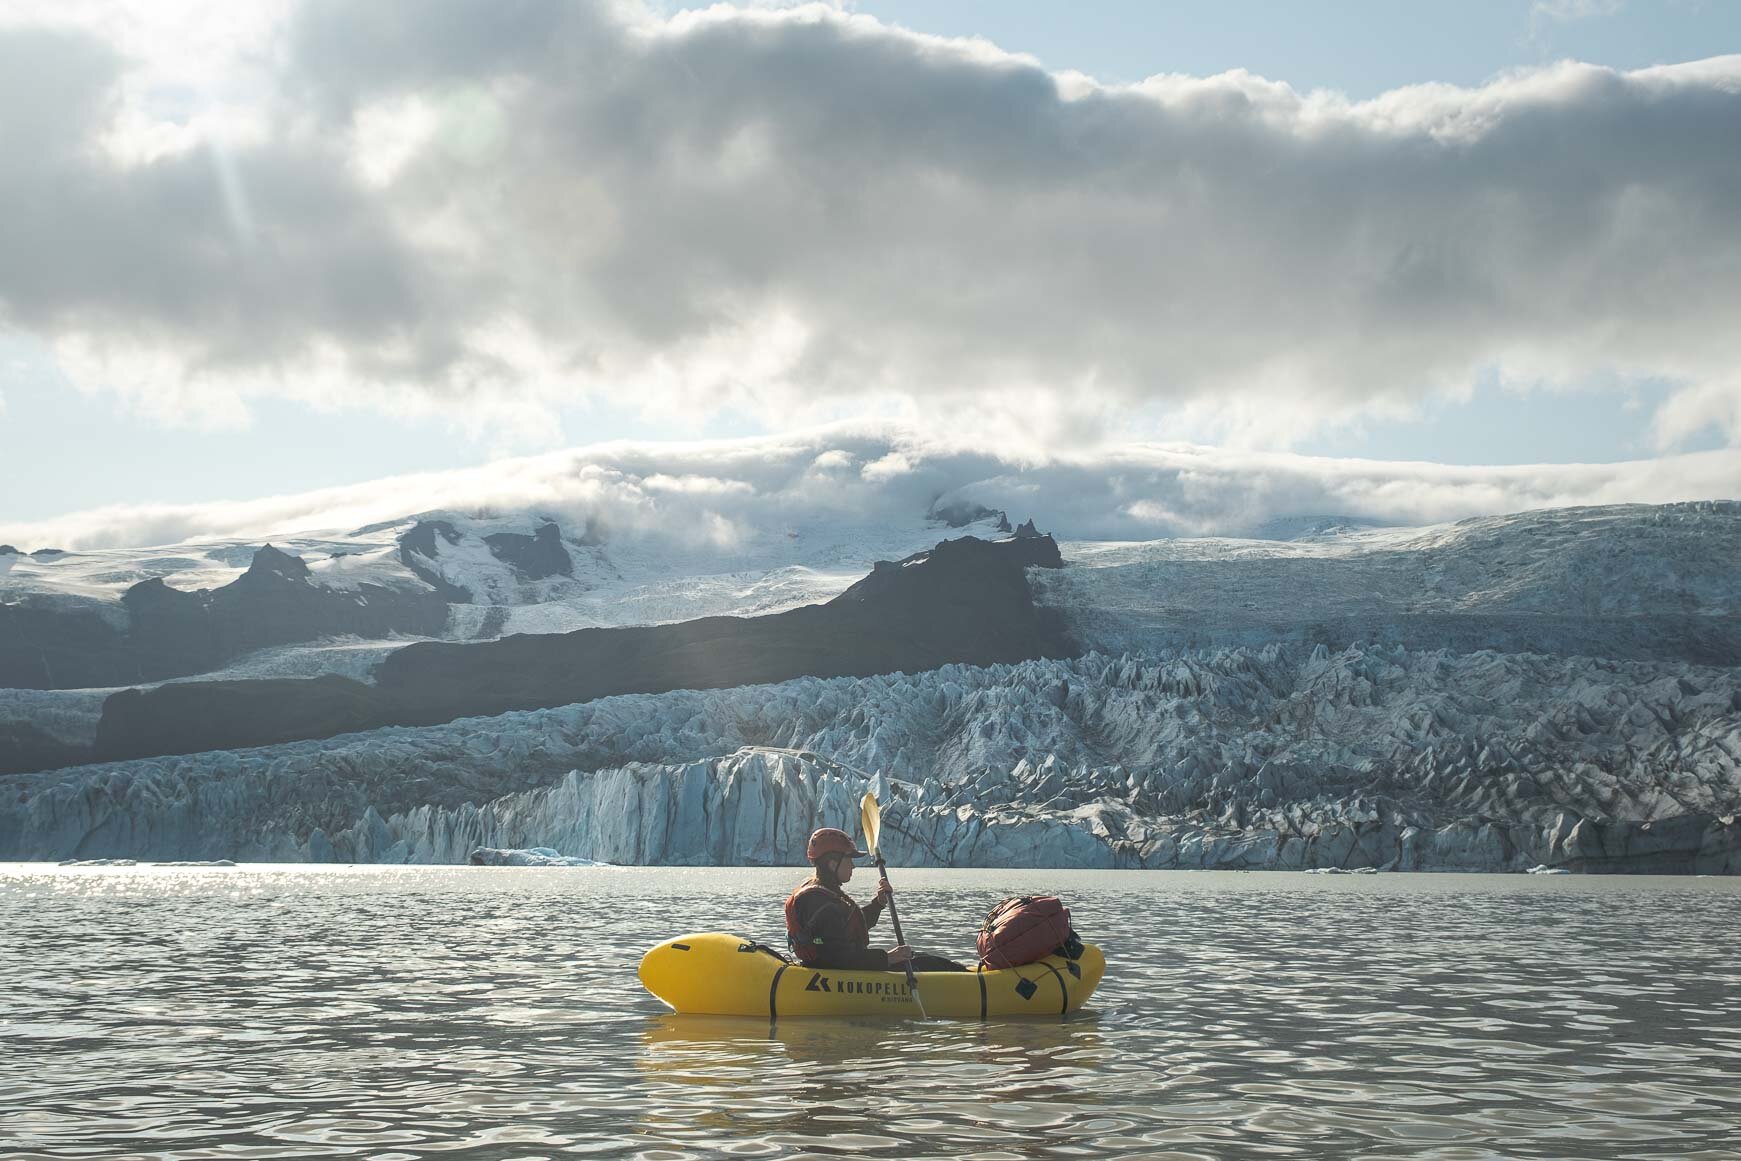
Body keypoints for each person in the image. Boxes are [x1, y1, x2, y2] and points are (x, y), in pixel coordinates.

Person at [784, 827, 965, 972]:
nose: (853, 866)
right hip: (837, 973)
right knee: (930, 964)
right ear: (832, 863)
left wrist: (878, 904)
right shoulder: (818, 902)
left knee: (922, 958)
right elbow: (839, 957)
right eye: (849, 859)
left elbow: (844, 928)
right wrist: (888, 957)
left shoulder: (821, 895)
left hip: (839, 968)